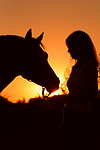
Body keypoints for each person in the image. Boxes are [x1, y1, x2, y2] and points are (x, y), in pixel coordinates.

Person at [61, 30, 98, 150]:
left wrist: (65, 98)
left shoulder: (89, 66)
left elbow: (92, 95)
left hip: (81, 119)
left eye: (71, 46)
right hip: (69, 117)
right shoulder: (76, 68)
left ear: (81, 46)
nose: (68, 50)